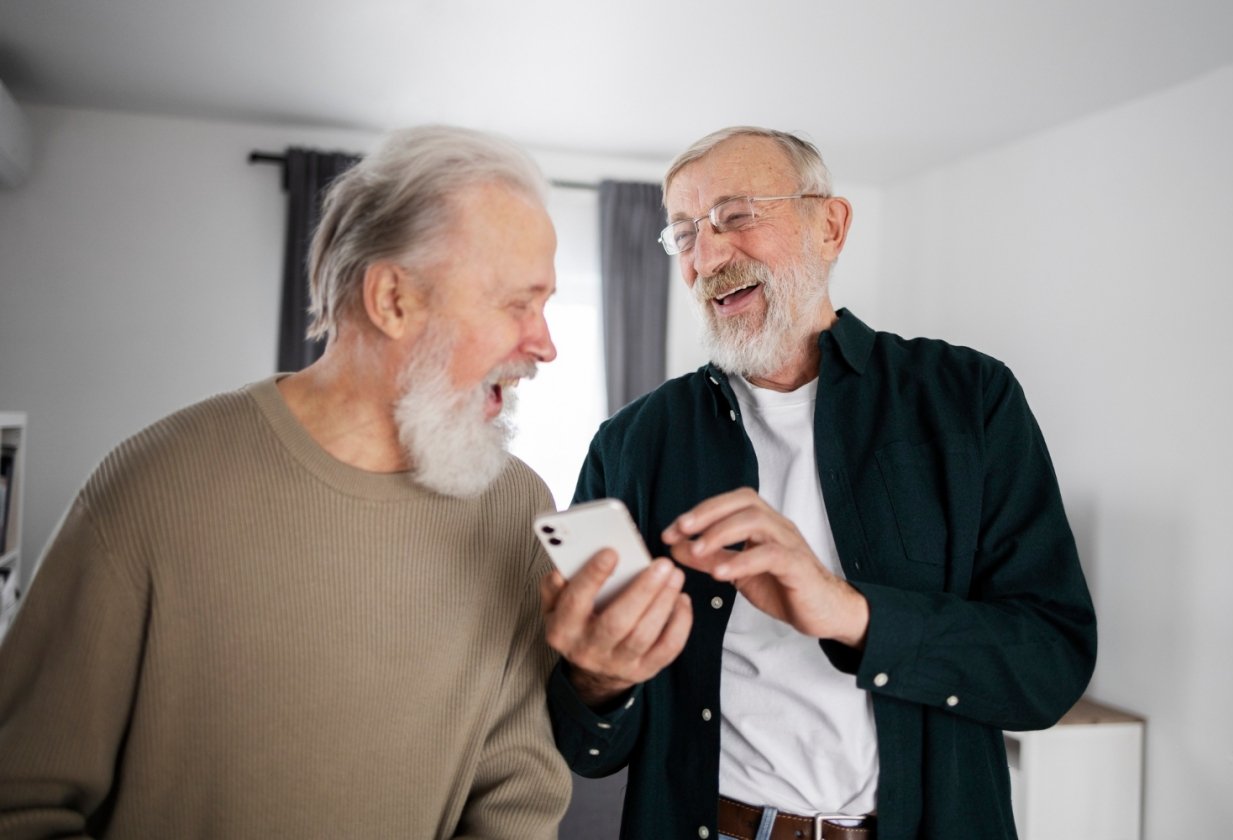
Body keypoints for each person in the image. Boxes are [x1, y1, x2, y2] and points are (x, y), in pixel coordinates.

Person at [0, 125, 571, 838]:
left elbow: (514, 799)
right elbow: (19, 802)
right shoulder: (153, 487)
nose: (545, 343)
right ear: (394, 299)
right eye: (518, 303)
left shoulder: (518, 509)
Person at [541, 126, 1096, 840]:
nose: (707, 256)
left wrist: (846, 612)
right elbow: (588, 748)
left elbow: (1049, 667)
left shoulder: (970, 400)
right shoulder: (632, 442)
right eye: (683, 235)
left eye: (736, 216)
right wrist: (597, 679)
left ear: (829, 225)